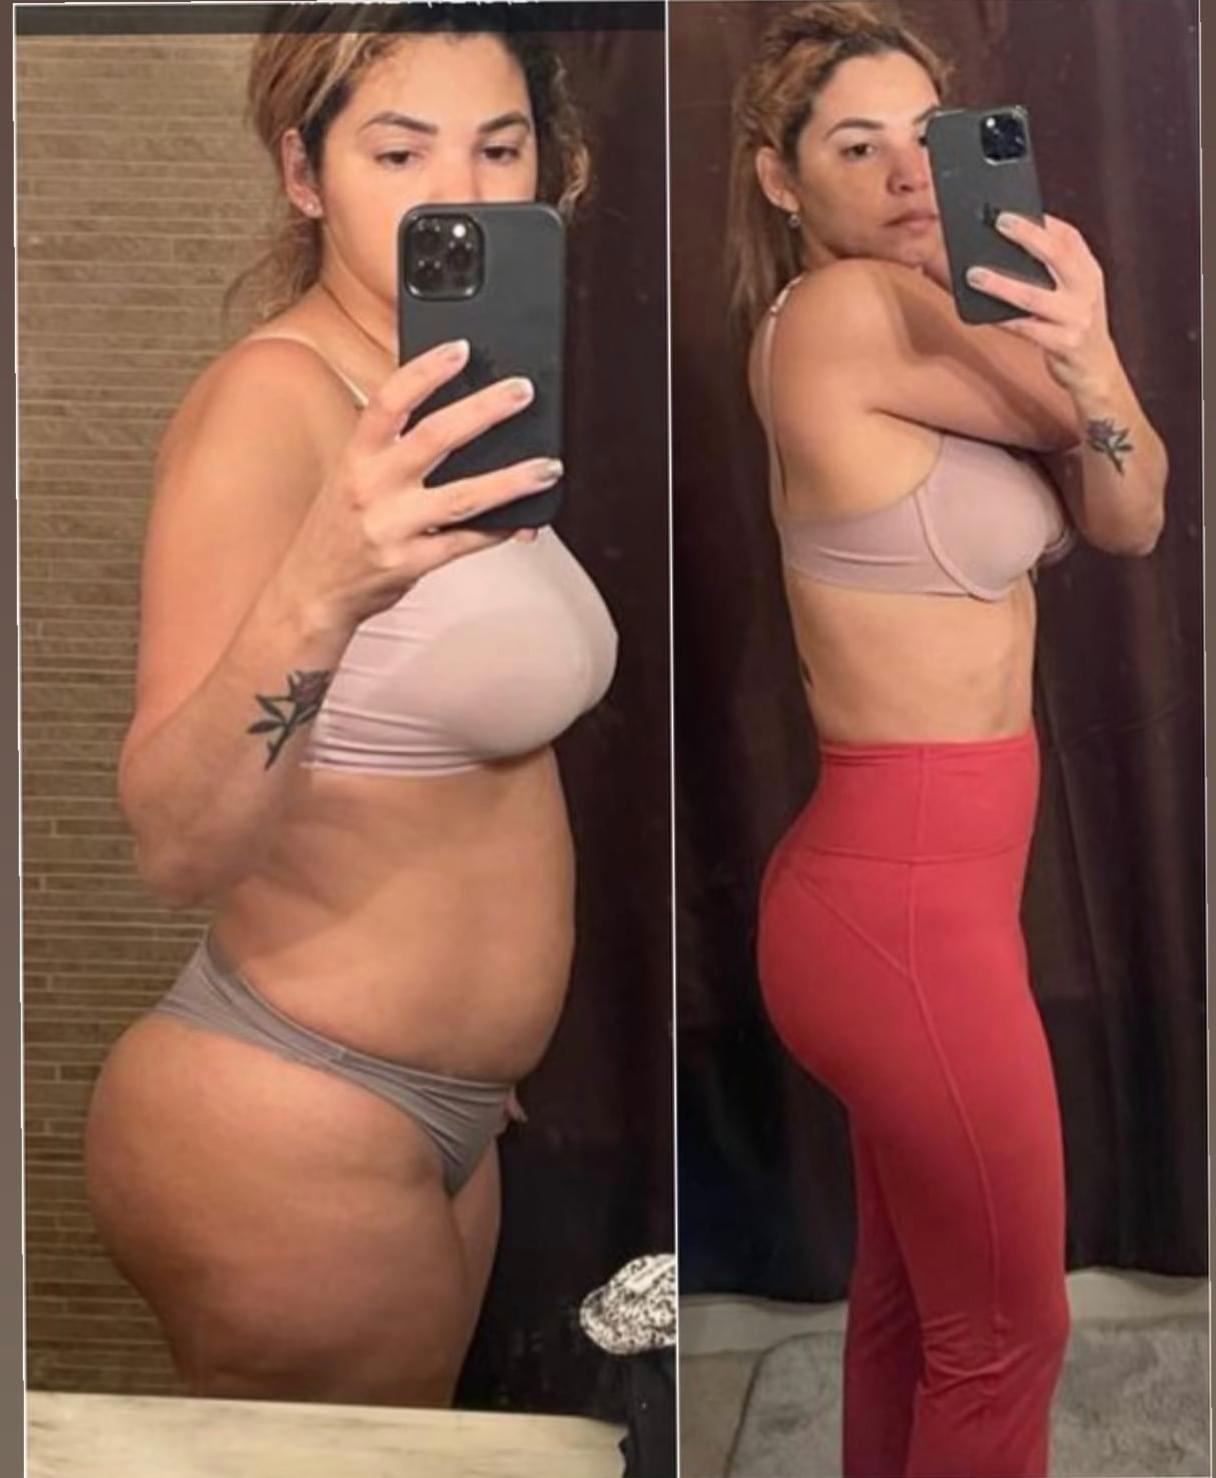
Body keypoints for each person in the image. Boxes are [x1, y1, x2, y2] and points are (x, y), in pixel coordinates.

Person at [84, 4, 618, 1409]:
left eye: (500, 146)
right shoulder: (270, 403)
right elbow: (175, 847)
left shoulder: (464, 405)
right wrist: (321, 585)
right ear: (303, 173)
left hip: (443, 1112)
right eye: (399, 151)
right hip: (287, 1112)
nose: (461, 191)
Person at [725, 5, 1166, 1475]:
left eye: (929, 138)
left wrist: (1087, 356)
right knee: (1009, 1335)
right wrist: (1086, 358)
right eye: (857, 147)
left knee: (917, 1314)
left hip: (909, 903)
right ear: (781, 179)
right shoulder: (852, 311)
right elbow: (1113, 471)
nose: (910, 174)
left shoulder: (937, 319)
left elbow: (1135, 510)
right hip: (901, 909)